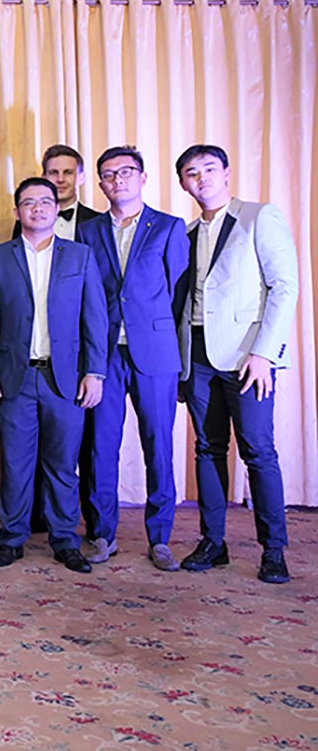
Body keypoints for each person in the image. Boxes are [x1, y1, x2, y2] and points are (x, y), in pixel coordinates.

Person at [175, 144, 299, 584]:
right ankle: (213, 542)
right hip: (198, 356)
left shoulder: (259, 217)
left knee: (258, 451)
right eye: (192, 173)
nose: (202, 178)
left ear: (226, 172)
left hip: (249, 356)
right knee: (207, 449)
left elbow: (284, 286)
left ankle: (274, 550)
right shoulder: (186, 232)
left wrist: (265, 354)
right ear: (183, 183)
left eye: (209, 168)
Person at [0, 177, 106, 574]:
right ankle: (12, 539)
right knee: (15, 464)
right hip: (15, 378)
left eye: (45, 201)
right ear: (17, 211)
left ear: (56, 208)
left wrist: (95, 372)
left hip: (65, 380)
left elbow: (95, 319)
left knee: (63, 464)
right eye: (29, 202)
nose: (38, 208)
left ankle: (65, 540)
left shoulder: (80, 256)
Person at [75, 146, 188, 571]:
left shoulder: (169, 227)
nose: (117, 180)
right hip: (103, 354)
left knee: (158, 445)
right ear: (100, 184)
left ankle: (160, 538)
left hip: (155, 352)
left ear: (142, 178)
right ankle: (102, 533)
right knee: (101, 447)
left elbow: (178, 293)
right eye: (109, 174)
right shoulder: (87, 231)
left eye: (125, 172)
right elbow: (86, 294)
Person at [12, 144, 101, 241]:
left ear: (81, 177)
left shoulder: (97, 222)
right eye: (53, 172)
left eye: (68, 172)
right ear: (44, 177)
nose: (60, 179)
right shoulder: (27, 219)